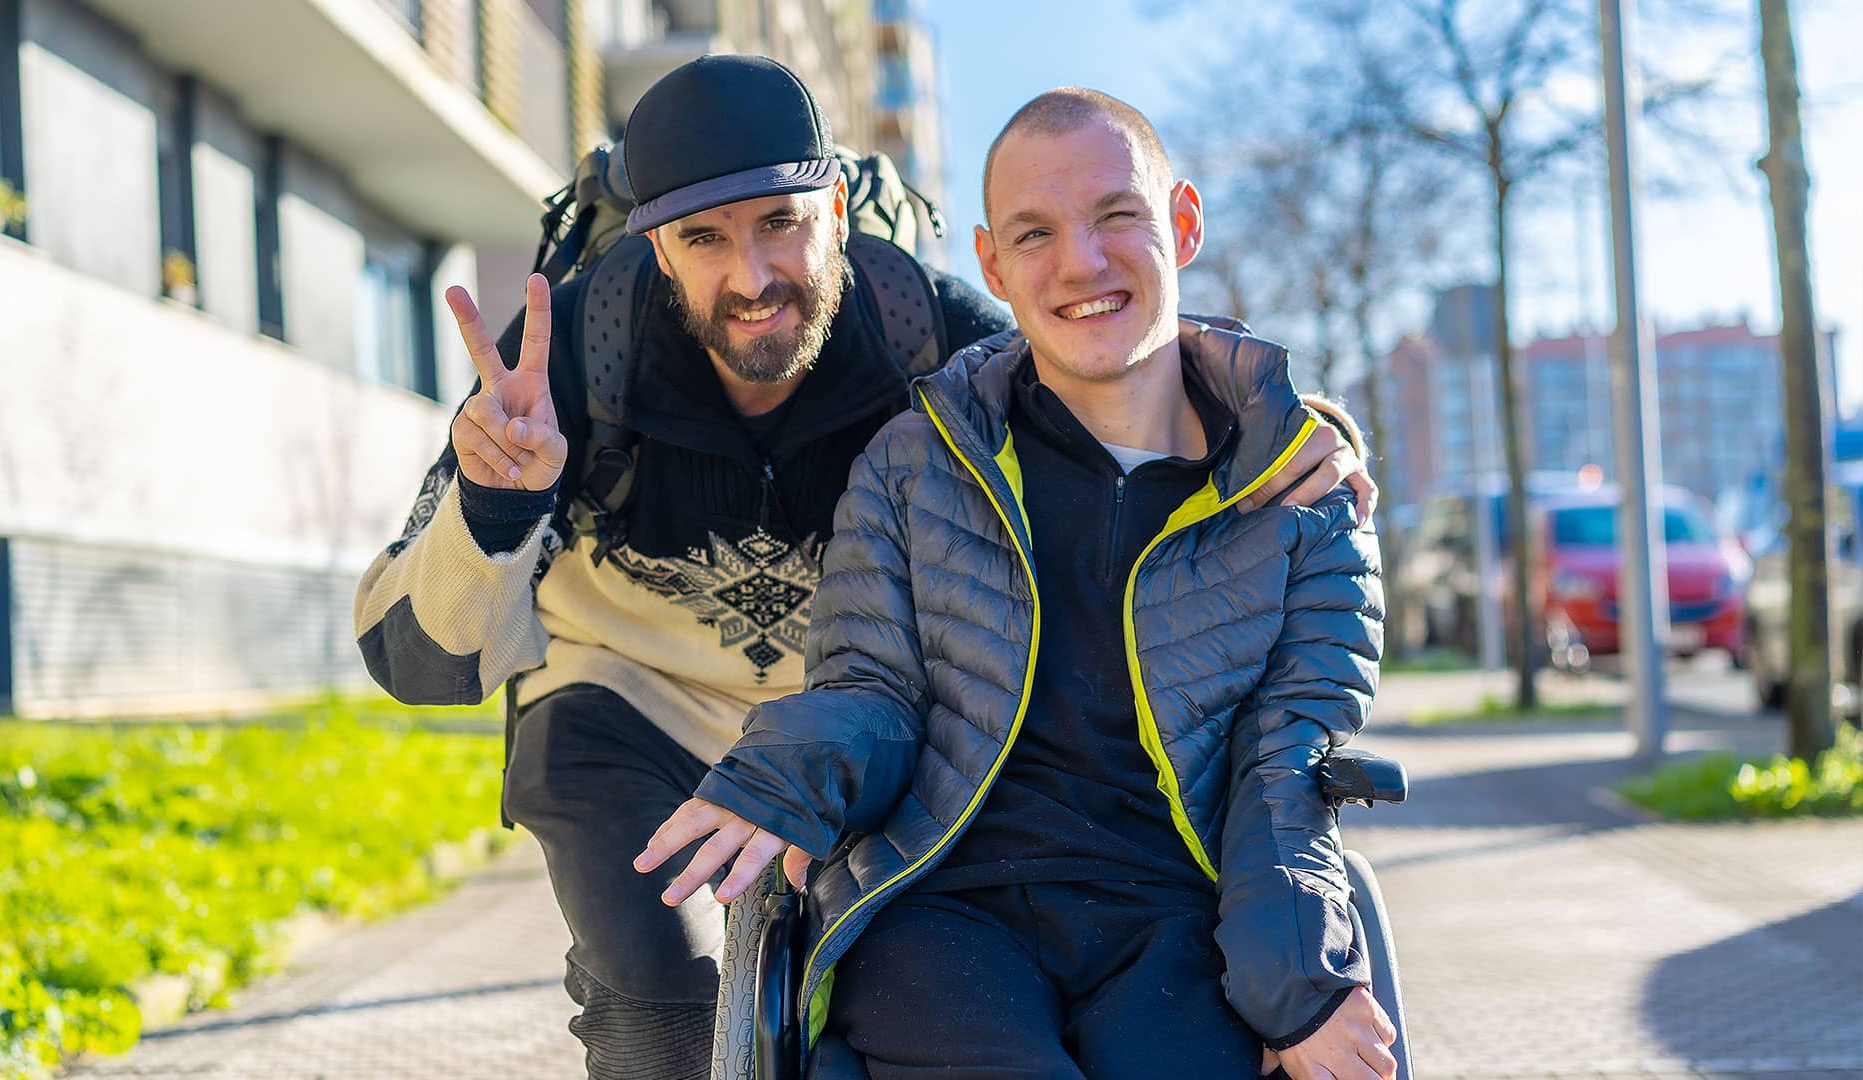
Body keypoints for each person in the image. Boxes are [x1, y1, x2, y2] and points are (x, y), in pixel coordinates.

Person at [356, 55, 1373, 1079]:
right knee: (670, 1019)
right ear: (658, 250)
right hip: (628, 711)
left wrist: (1275, 421)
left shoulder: (923, 334)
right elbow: (417, 665)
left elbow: (1095, 333)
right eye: (704, 240)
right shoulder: (566, 356)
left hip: (851, 720)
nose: (751, 277)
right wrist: (498, 504)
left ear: (838, 209)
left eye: (781, 223)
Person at [638, 87, 1395, 1080]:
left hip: (1171, 922)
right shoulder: (915, 465)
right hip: (943, 909)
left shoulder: (1303, 499)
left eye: (1116, 216)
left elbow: (1285, 765)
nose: (1080, 262)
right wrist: (784, 779)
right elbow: (870, 690)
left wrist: (1298, 986)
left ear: (1184, 222)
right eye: (1035, 234)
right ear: (993, 266)